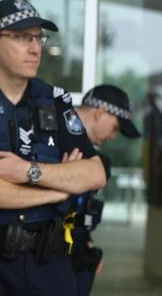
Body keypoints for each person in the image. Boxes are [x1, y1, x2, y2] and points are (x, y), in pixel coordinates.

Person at [0, 0, 107, 296]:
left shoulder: (55, 101)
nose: (35, 47)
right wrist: (58, 189)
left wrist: (29, 171)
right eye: (21, 37)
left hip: (49, 259)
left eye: (38, 37)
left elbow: (94, 174)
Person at [71, 84, 141, 295]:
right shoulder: (51, 139)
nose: (113, 136)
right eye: (115, 128)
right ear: (100, 113)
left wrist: (86, 242)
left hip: (74, 256)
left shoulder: (89, 153)